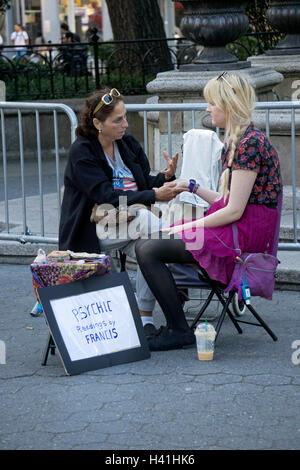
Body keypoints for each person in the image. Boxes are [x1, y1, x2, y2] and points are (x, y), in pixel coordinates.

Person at [135, 72, 282, 351]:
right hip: (241, 230)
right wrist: (192, 186)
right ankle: (176, 323)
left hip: (241, 239)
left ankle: (179, 329)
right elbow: (229, 201)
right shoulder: (244, 139)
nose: (207, 108)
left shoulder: (248, 144)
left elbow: (233, 211)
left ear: (227, 104)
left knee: (148, 248)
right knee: (151, 244)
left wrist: (180, 229)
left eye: (211, 103)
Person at [59, 87, 179, 337]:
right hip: (92, 227)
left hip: (128, 222)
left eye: (125, 116)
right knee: (150, 224)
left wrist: (164, 179)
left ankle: (143, 318)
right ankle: (158, 301)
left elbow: (142, 184)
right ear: (97, 123)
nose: (125, 124)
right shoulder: (82, 152)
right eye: (118, 120)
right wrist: (155, 196)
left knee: (150, 245)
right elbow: (108, 197)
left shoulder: (126, 143)